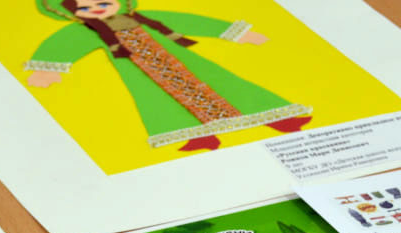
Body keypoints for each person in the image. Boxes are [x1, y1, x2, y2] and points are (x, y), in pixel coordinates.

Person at [26, 0, 310, 152]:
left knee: (228, 85)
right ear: (72, 13)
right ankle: (200, 138)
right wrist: (46, 69)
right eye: (85, 8)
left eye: (102, 2)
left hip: (184, 62)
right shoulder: (85, 30)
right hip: (138, 69)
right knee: (157, 102)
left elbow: (189, 21)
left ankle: (279, 119)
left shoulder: (144, 17)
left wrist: (238, 34)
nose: (96, 9)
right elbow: (63, 44)